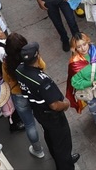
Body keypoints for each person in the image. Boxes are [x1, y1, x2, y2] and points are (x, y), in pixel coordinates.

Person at [12, 41, 80, 170]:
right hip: (52, 116)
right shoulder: (42, 81)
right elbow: (54, 105)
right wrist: (66, 105)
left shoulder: (20, 69)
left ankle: (61, 159)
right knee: (62, 143)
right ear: (37, 56)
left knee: (50, 137)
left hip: (38, 111)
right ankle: (65, 165)